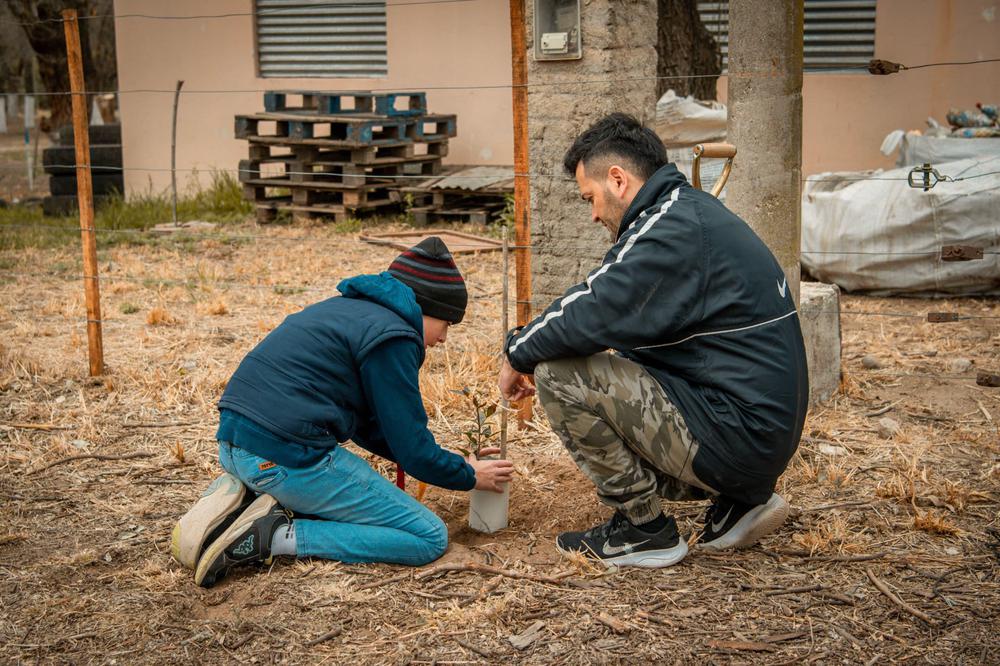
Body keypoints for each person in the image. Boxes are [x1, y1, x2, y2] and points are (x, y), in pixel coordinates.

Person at [499, 113, 808, 568]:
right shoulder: (693, 214)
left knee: (558, 373)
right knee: (613, 355)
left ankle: (643, 529)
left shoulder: (667, 229)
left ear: (618, 180)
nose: (593, 214)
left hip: (736, 436)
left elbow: (593, 304)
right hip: (755, 436)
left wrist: (517, 351)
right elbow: (621, 326)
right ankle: (740, 501)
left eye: (592, 198)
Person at [172, 237, 514, 587]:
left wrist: (455, 462)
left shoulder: (346, 311)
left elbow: (370, 428)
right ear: (425, 306)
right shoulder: (394, 336)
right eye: (447, 323)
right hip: (285, 459)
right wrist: (469, 477)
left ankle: (243, 506)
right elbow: (411, 449)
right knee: (428, 537)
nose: (443, 338)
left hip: (234, 446)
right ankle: (274, 536)